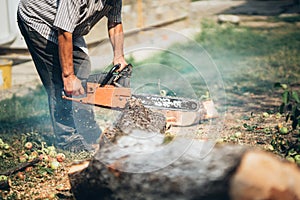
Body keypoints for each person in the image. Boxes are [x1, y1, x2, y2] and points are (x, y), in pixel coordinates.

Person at [17, 0, 127, 152]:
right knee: (58, 81)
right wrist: (68, 77)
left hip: (69, 27)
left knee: (82, 65)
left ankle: (86, 128)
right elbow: (64, 32)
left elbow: (115, 23)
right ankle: (68, 140)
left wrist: (119, 57)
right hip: (39, 20)